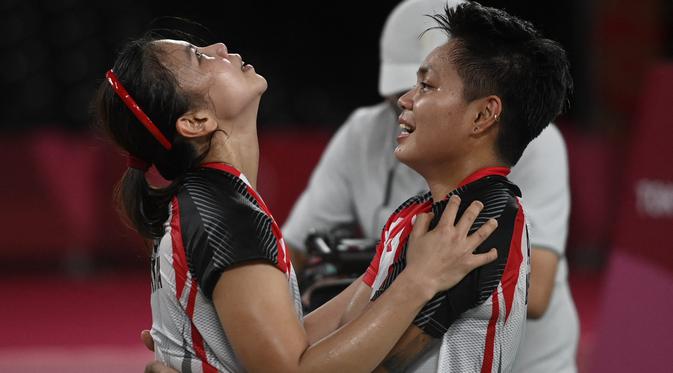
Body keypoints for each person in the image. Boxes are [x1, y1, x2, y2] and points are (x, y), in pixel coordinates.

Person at [93, 27, 501, 371]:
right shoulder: (226, 215)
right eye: (200, 59)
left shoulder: (213, 199)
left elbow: (294, 341)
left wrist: (386, 270)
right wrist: (419, 281)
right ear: (197, 122)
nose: (219, 49)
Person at [283, 0, 580, 371]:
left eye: (426, 86)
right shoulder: (413, 214)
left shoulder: (487, 219)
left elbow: (368, 364)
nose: (406, 100)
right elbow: (307, 344)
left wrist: (414, 280)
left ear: (483, 115)